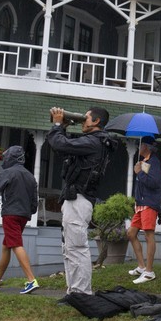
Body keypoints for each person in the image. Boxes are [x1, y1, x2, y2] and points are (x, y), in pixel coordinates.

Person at [47, 106, 111, 299]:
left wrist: (58, 124)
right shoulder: (94, 142)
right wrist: (63, 128)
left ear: (96, 121)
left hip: (80, 198)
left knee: (76, 247)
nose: (83, 120)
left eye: (86, 117)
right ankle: (73, 292)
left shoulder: (94, 142)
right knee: (69, 248)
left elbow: (60, 145)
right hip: (77, 198)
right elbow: (65, 149)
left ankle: (81, 294)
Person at [0, 145, 39, 294]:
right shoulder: (30, 176)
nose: (4, 159)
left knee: (16, 244)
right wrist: (30, 210)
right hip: (24, 215)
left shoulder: (8, 173)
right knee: (7, 245)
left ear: (11, 158)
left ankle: (31, 280)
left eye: (6, 157)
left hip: (11, 214)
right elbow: (34, 200)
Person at [127, 136, 161, 284]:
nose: (138, 147)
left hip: (149, 203)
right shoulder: (143, 162)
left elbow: (154, 183)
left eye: (140, 145)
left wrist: (139, 173)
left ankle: (149, 271)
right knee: (131, 233)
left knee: (149, 235)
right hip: (140, 204)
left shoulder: (154, 162)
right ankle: (141, 266)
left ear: (146, 147)